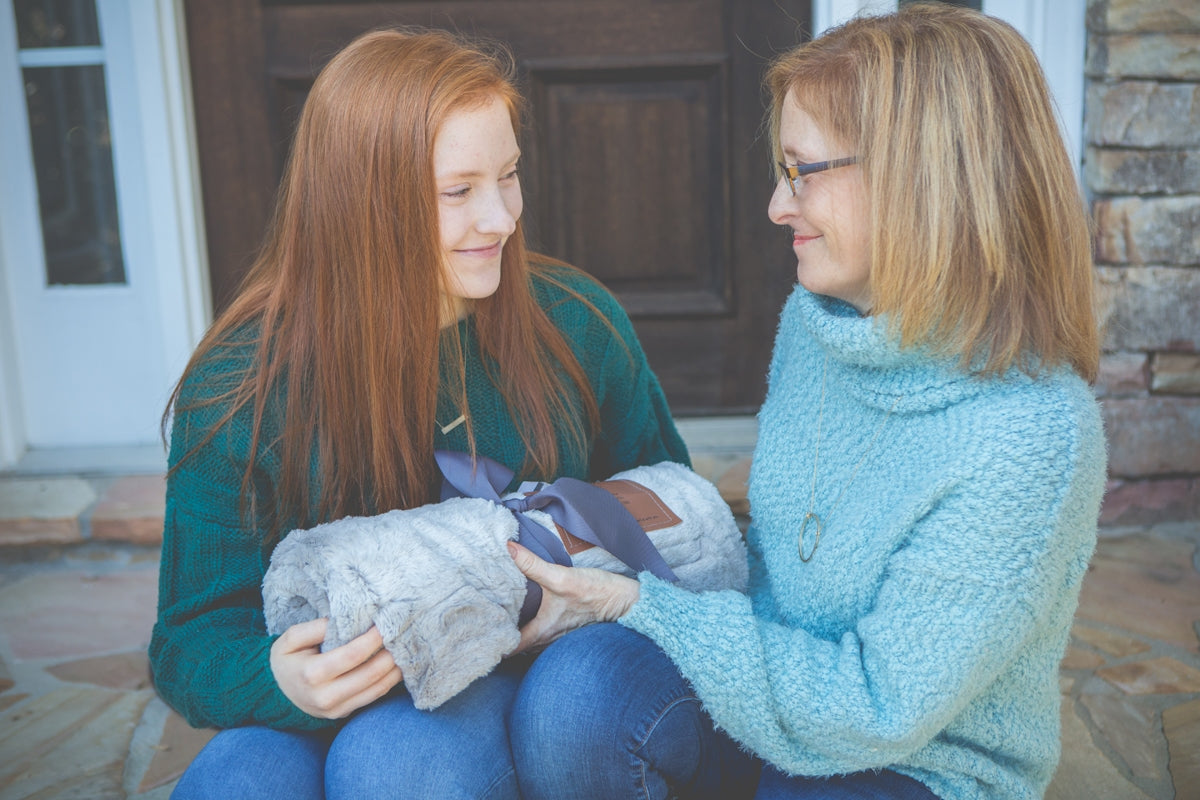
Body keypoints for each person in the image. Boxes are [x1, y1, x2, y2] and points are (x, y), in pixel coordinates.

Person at [506, 5, 1107, 799]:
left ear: (921, 177)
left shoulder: (1032, 437)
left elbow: (875, 709)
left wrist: (640, 603)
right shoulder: (824, 324)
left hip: (912, 759)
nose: (775, 206)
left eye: (801, 171)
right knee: (574, 697)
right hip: (764, 684)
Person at [150, 27, 691, 799]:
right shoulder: (241, 386)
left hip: (522, 665)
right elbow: (187, 639)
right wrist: (281, 681)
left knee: (396, 766)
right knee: (236, 785)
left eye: (508, 176)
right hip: (333, 694)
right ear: (361, 203)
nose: (501, 218)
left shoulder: (577, 323)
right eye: (458, 190)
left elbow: (673, 514)